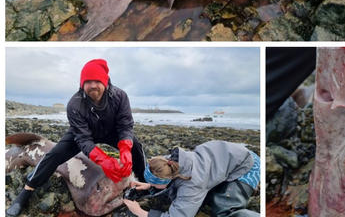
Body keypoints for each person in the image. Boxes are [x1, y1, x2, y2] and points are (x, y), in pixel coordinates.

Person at [7, 59, 147, 217]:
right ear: (82, 84)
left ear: (105, 81)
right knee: (53, 155)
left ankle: (145, 182)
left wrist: (126, 148)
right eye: (88, 82)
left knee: (136, 147)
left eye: (97, 81)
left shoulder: (120, 96)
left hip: (111, 131)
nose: (93, 85)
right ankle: (26, 192)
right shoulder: (74, 104)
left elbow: (125, 125)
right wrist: (103, 160)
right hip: (83, 134)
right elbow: (83, 140)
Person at [123, 140, 260, 217]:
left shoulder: (193, 184)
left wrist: (141, 213)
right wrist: (150, 186)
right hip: (227, 158)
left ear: (166, 180)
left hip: (246, 166)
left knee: (225, 212)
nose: (150, 184)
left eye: (154, 183)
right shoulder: (169, 161)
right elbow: (168, 180)